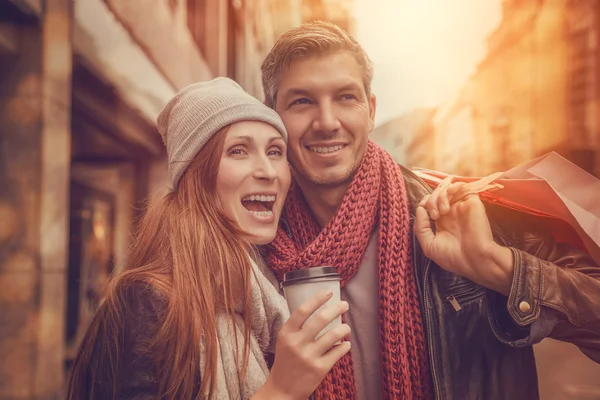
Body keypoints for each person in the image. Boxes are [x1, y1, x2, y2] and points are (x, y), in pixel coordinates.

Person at [261, 21, 600, 400]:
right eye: (302, 101)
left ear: (370, 111)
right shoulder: (251, 248)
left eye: (345, 97)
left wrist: (496, 266)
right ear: (272, 117)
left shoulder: (461, 216)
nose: (326, 122)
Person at [66, 77, 352, 400]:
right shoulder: (145, 302)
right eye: (238, 150)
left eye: (275, 151)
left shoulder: (265, 299)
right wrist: (280, 391)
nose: (268, 171)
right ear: (197, 175)